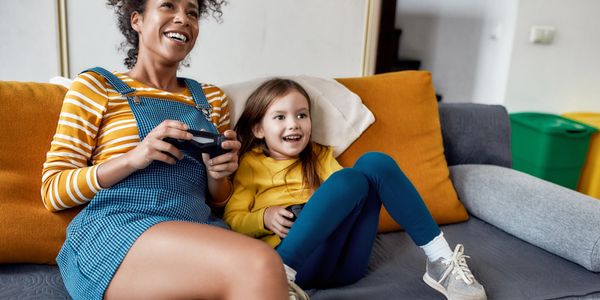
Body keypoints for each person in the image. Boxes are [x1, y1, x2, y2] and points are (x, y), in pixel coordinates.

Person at [41, 1, 302, 299]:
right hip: (121, 230)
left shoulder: (212, 99)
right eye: (168, 5)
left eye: (192, 12)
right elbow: (53, 191)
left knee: (257, 267)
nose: (183, 18)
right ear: (137, 20)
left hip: (198, 227)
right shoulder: (96, 86)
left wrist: (218, 174)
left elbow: (219, 202)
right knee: (261, 262)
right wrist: (133, 158)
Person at [224, 78, 488, 300]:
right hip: (297, 264)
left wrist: (324, 206)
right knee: (349, 180)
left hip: (346, 263)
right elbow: (233, 220)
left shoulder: (319, 157)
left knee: (371, 165)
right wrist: (265, 217)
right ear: (258, 129)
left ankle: (441, 261)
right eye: (280, 117)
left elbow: (349, 194)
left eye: (301, 115)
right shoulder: (251, 165)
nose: (294, 124)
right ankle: (282, 275)